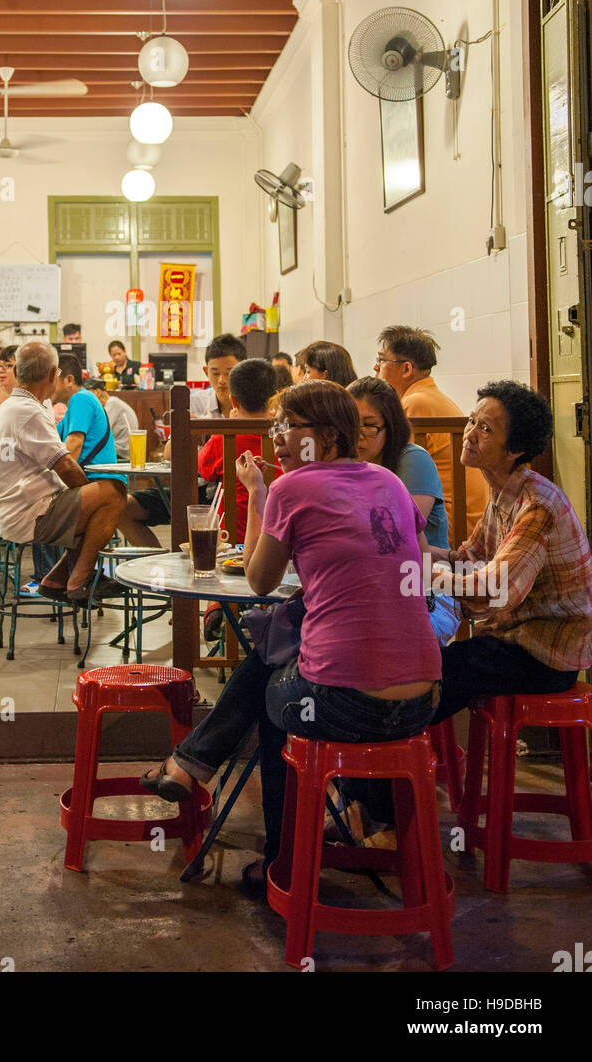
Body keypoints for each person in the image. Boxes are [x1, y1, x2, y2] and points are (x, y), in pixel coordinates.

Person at [140, 380, 440, 887]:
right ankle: (197, 769)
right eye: (275, 426)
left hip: (348, 703)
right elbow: (408, 556)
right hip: (425, 699)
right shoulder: (387, 481)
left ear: (326, 434)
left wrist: (262, 495)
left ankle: (284, 864)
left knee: (278, 700)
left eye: (289, 427)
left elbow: (258, 581)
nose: (276, 437)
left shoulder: (292, 489)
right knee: (285, 660)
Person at [427, 381, 592, 726]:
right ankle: (400, 764)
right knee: (426, 664)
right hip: (513, 640)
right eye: (472, 421)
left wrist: (432, 578)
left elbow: (495, 590)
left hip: (546, 655)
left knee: (431, 668)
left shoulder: (537, 507)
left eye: (484, 428)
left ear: (514, 449)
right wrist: (416, 557)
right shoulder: (503, 492)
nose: (469, 433)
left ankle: (393, 763)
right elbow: (470, 556)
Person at [0, 341, 128, 604]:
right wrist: (89, 495)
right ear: (53, 375)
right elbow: (65, 465)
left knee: (97, 509)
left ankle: (55, 579)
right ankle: (79, 580)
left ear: (16, 370)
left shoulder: (11, 407)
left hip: (12, 510)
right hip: (30, 513)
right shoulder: (29, 411)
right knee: (114, 492)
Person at [348, 376, 456, 645]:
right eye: (350, 423)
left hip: (425, 585)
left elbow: (397, 538)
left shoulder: (412, 459)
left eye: (370, 426)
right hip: (369, 587)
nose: (358, 435)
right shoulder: (346, 464)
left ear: (391, 425)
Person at [374, 325, 489, 539]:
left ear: (406, 368)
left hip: (447, 523)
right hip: (454, 516)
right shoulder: (427, 396)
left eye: (381, 360)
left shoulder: (415, 402)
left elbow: (388, 467)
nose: (375, 367)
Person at [54, 354, 161, 549]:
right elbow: (51, 440)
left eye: (53, 377)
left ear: (69, 380)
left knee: (44, 509)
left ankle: (50, 575)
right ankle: (68, 575)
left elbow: (74, 444)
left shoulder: (81, 398)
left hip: (98, 482)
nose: (48, 383)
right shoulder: (73, 406)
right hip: (93, 482)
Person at [197, 358, 276, 544]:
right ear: (275, 398)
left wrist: (227, 426)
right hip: (278, 540)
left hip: (231, 540)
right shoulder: (287, 435)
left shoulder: (223, 437)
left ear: (233, 400)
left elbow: (204, 471)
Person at [189, 333, 247, 420]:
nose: (221, 380)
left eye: (229, 373)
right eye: (215, 373)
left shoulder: (256, 405)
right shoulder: (195, 403)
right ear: (206, 372)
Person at [84, 377, 138, 462]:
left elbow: (99, 432)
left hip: (121, 452)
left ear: (97, 392)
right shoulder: (111, 403)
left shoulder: (112, 404)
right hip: (120, 450)